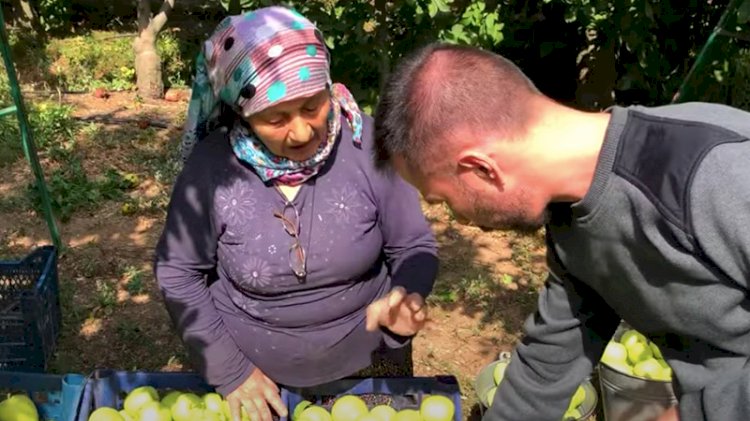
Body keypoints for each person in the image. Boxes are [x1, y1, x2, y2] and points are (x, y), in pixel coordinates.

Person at [372, 41, 750, 421]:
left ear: (482, 169)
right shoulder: (572, 219)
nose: (459, 220)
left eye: (444, 201)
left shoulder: (715, 172)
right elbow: (547, 365)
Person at [153, 7, 438, 421]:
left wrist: (407, 294)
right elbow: (178, 271)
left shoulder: (367, 145)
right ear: (242, 114)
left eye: (313, 106)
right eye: (276, 118)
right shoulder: (212, 169)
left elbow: (413, 243)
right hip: (258, 379)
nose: (303, 131)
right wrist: (232, 372)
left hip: (372, 365)